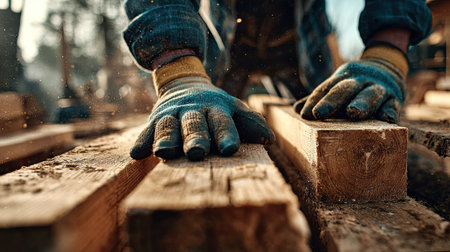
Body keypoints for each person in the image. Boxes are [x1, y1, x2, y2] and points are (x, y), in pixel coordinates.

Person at [123, 0, 432, 161]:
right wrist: (179, 74)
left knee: (329, 116)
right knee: (208, 129)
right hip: (228, 39)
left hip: (300, 41)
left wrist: (386, 54)